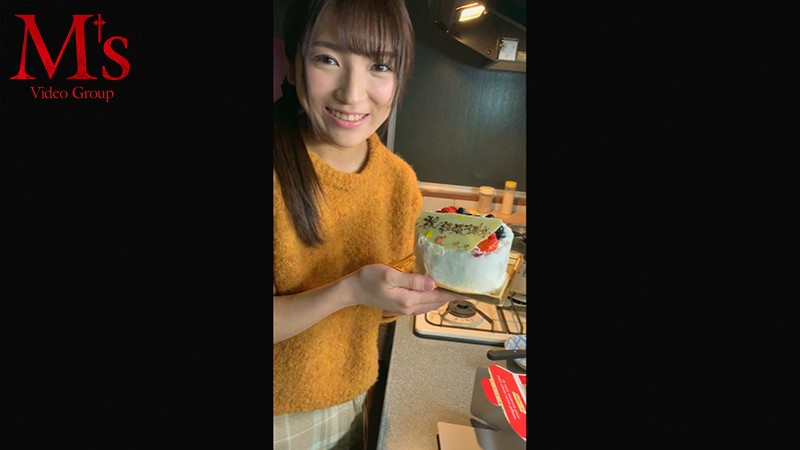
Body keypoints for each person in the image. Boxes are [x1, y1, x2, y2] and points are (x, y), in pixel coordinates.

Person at [272, 0, 464, 448]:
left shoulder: (398, 181)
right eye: (328, 59)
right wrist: (350, 290)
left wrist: (406, 296)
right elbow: (359, 294)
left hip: (351, 404)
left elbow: (380, 306)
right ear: (294, 65)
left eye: (379, 66)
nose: (353, 94)